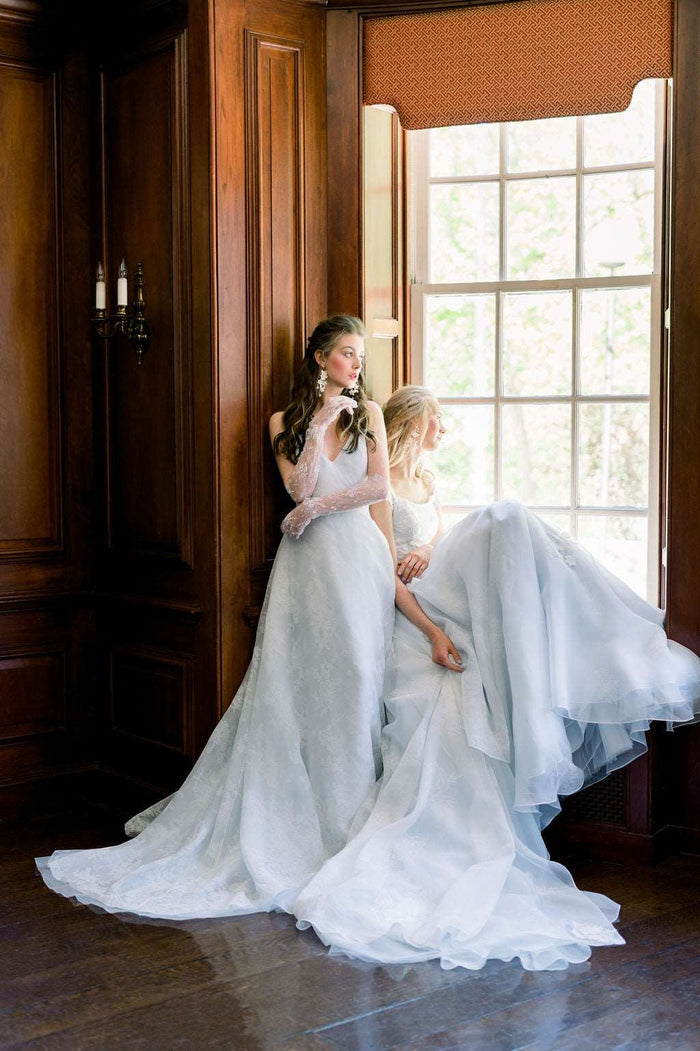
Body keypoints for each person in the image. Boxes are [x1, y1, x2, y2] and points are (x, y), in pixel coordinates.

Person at [33, 318, 457, 920]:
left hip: (358, 561)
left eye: (361, 356)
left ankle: (349, 824)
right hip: (307, 567)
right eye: (345, 354)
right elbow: (296, 487)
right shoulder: (283, 423)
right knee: (293, 690)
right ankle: (293, 824)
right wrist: (317, 426)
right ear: (319, 358)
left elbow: (376, 490)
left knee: (359, 685)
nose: (357, 364)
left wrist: (317, 507)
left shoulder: (371, 419)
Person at [293, 385, 700, 971]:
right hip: (409, 612)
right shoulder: (380, 486)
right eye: (438, 421)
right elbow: (385, 572)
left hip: (436, 584)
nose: (445, 432)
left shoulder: (429, 483)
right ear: (412, 423)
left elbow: (427, 540)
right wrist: (434, 633)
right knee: (502, 520)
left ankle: (600, 631)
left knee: (508, 520)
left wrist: (431, 546)